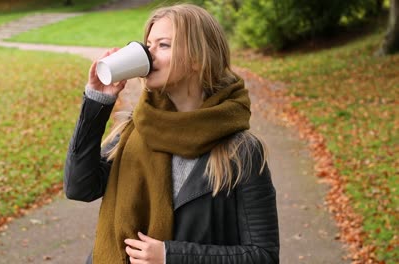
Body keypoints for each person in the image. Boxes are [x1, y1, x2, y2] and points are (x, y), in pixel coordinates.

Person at [64, 3, 279, 264]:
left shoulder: (241, 151)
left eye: (163, 45)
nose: (148, 53)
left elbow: (263, 255)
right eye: (148, 44)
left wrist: (171, 256)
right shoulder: (135, 130)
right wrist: (97, 101)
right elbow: (79, 188)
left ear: (198, 59)